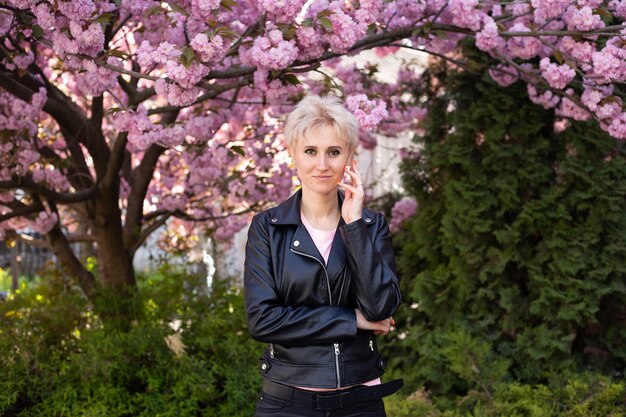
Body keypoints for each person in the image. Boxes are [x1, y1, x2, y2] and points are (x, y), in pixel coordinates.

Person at [244, 94, 403, 417]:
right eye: (310, 151)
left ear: (349, 157)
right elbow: (262, 320)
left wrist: (354, 225)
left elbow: (381, 307)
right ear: (293, 154)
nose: (322, 165)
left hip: (361, 401)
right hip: (288, 403)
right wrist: (350, 319)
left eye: (333, 152)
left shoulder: (371, 225)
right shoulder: (268, 228)